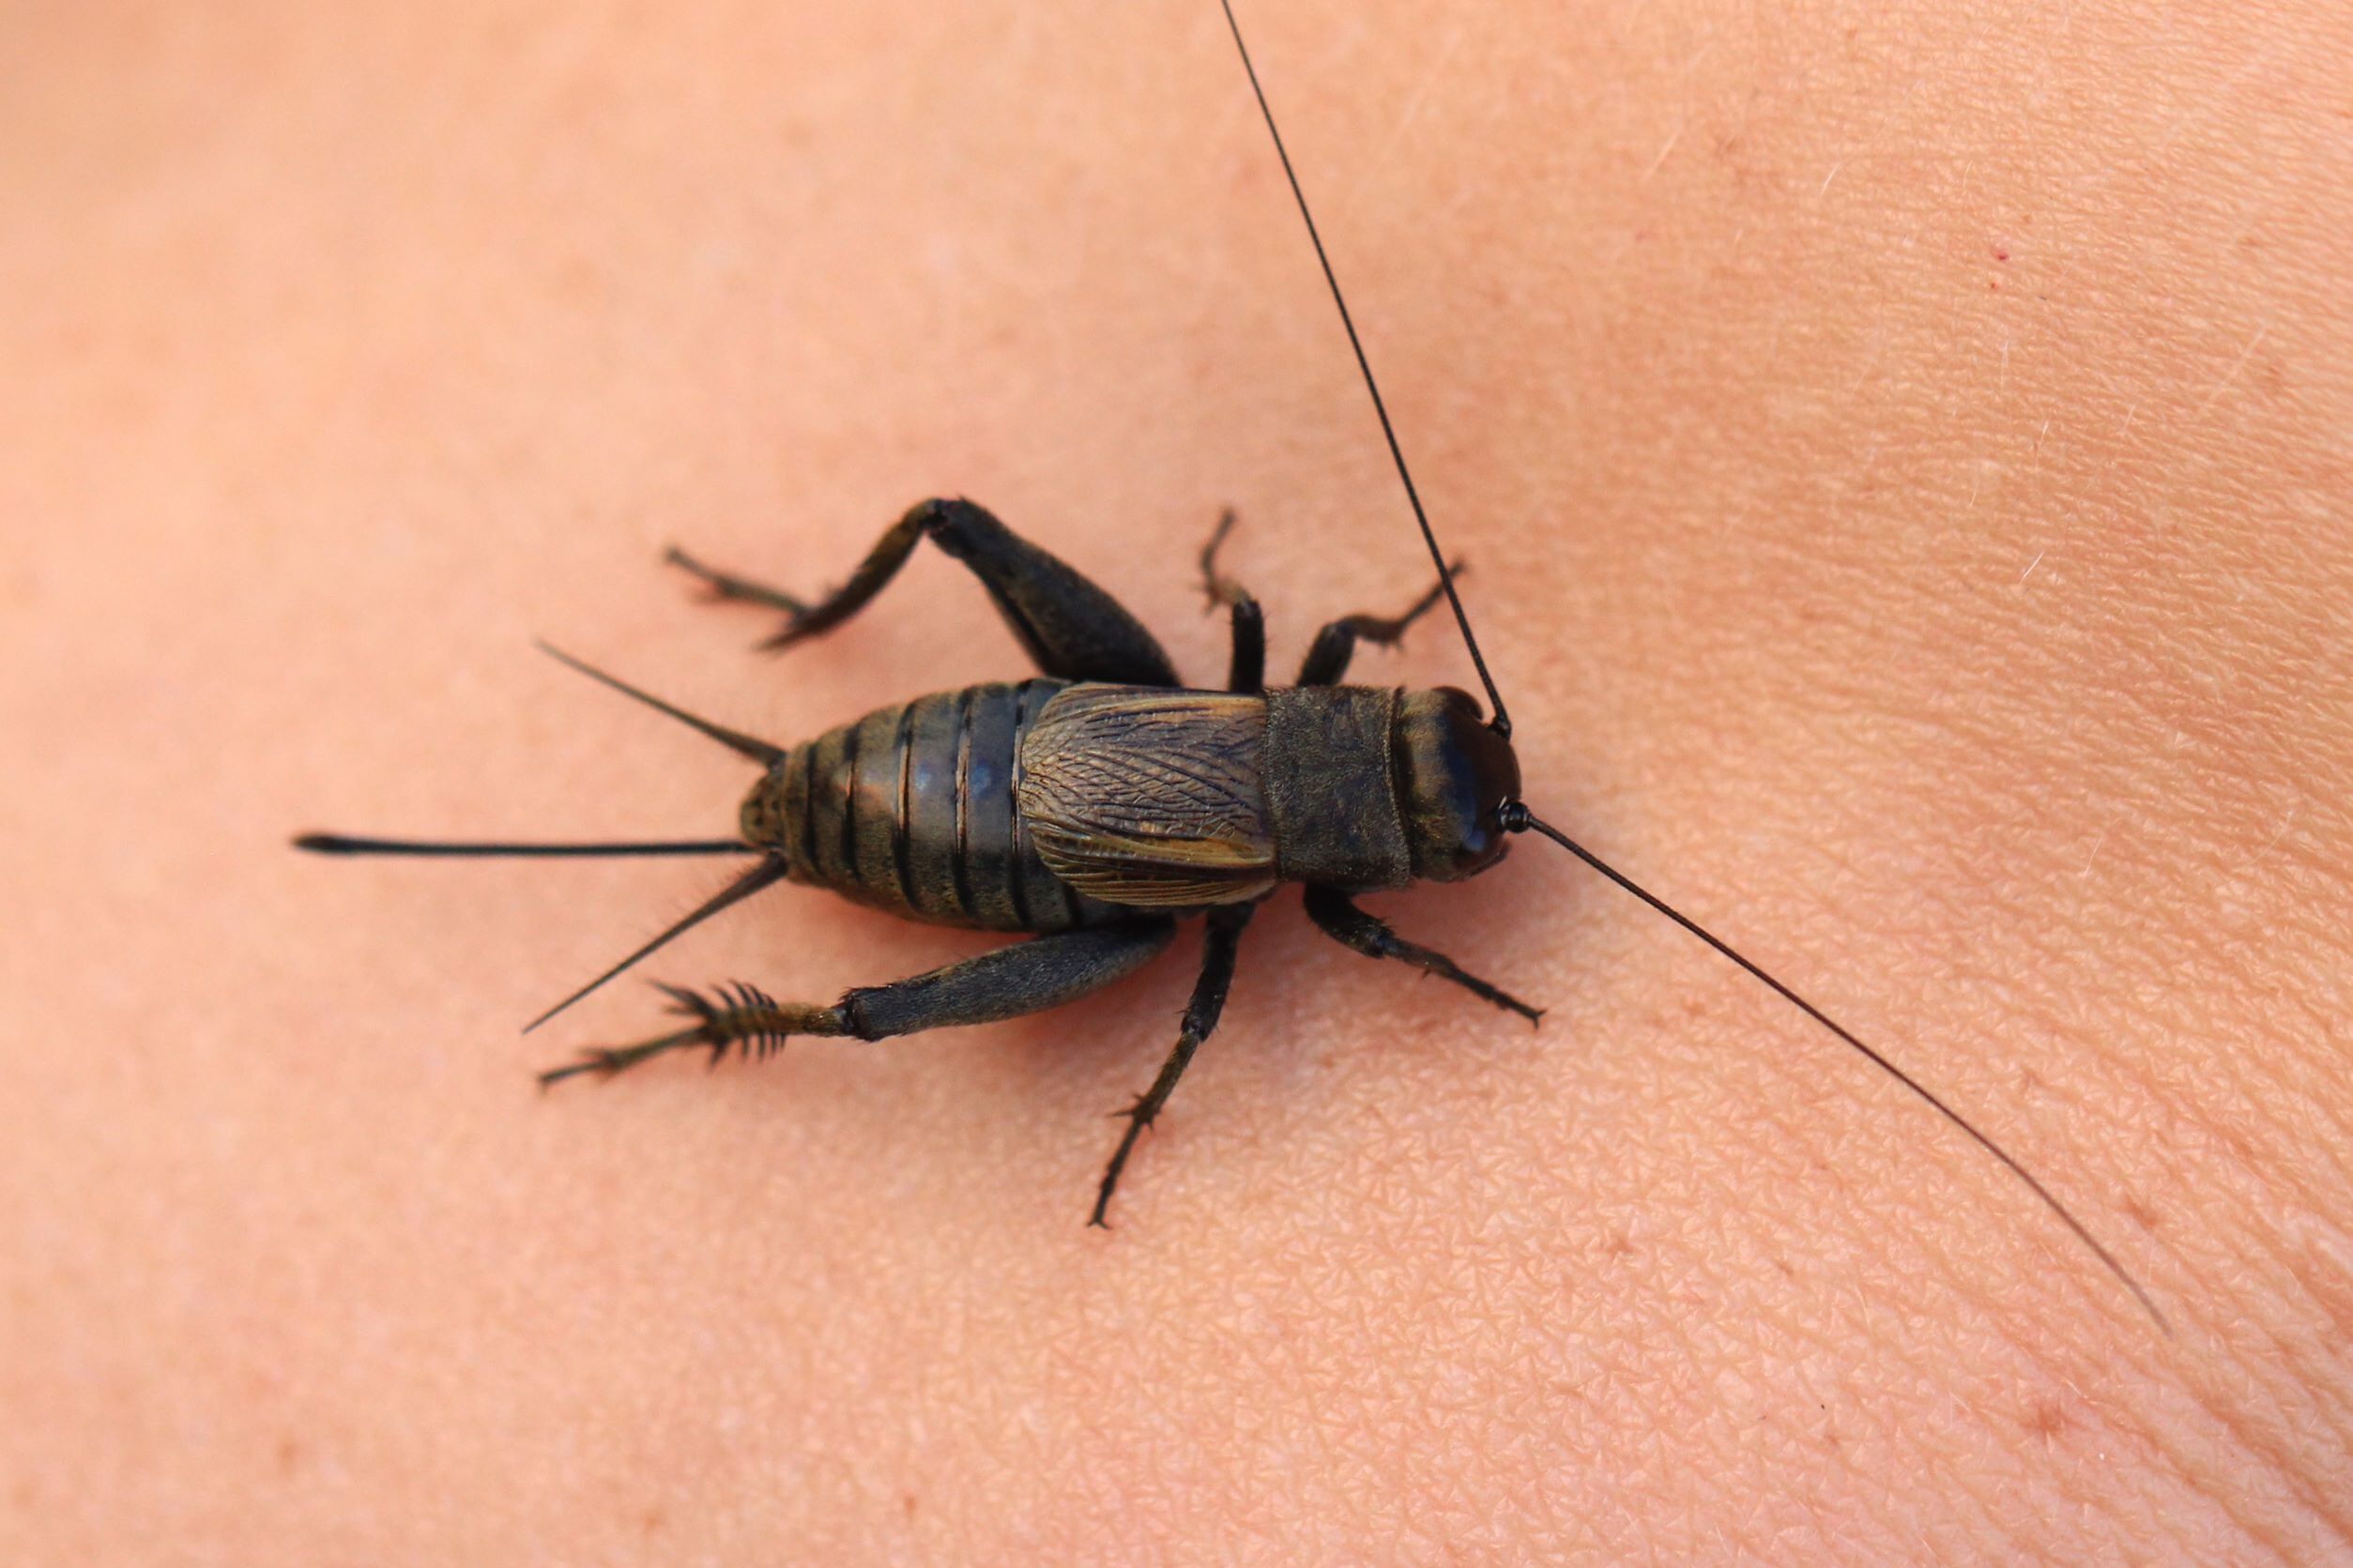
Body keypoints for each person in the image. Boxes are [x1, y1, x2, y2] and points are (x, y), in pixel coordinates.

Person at [5, 0, 2344, 1559]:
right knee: (948, 882)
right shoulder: (1295, 892)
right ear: (1359, 746)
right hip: (1018, 808)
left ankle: (737, 929)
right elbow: (1234, 994)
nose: (1432, 784)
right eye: (1428, 756)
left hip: (1032, 776)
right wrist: (1238, 1063)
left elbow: (1287, 778)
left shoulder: (1279, 703)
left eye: (1433, 768)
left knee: (923, 870)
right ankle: (742, 933)